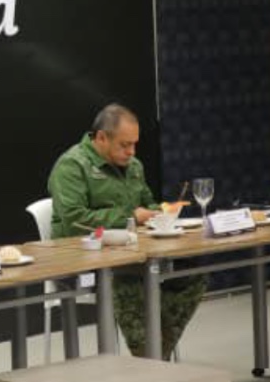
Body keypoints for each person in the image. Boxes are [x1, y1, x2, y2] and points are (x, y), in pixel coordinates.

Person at [48, 104, 206, 360]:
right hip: (81, 257)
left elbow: (147, 204)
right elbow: (75, 221)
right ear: (101, 137)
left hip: (129, 253)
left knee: (192, 274)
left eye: (134, 144)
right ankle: (149, 355)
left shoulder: (133, 166)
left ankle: (156, 349)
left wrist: (162, 212)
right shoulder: (72, 166)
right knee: (125, 279)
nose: (131, 152)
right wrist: (130, 217)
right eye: (124, 145)